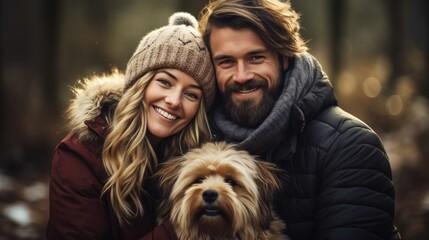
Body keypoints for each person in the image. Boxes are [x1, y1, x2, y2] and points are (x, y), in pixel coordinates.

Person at [197, 0, 401, 239]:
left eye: (256, 58)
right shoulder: (199, 137)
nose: (242, 76)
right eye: (226, 62)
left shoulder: (350, 146)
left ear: (284, 57)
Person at [47, 12, 215, 239]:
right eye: (165, 82)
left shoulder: (205, 166)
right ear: (140, 85)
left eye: (191, 94)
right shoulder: (80, 156)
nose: (174, 101)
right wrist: (183, 225)